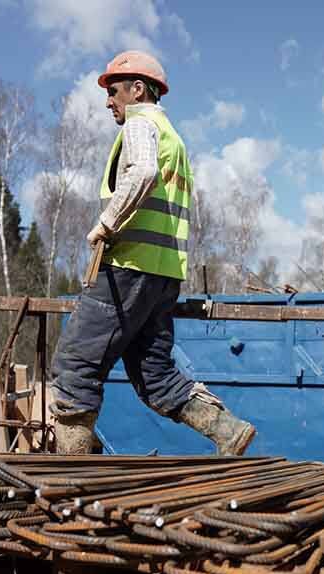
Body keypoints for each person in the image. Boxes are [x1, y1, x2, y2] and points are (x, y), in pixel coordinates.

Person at [49, 50, 256, 456]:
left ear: (138, 89)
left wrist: (106, 222)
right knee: (155, 376)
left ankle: (69, 476)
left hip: (128, 268)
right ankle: (228, 432)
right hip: (163, 276)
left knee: (75, 365)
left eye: (113, 91)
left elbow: (142, 172)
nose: (109, 101)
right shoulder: (174, 140)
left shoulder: (141, 125)